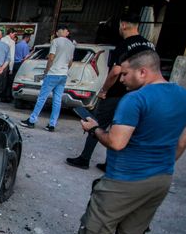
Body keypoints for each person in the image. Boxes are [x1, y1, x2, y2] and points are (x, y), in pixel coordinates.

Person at [37, 50, 186, 234]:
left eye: (125, 74)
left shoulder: (135, 100)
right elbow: (183, 142)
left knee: (96, 228)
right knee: (131, 233)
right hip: (161, 179)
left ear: (142, 72)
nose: (121, 79)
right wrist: (160, 165)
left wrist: (94, 129)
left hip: (124, 180)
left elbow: (117, 142)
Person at [66, 13, 155, 170]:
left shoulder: (124, 45)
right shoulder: (150, 46)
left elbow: (115, 72)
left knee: (97, 124)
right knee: (122, 128)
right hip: (140, 95)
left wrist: (104, 90)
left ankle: (84, 159)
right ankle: (110, 164)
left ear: (123, 25)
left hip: (116, 95)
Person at [20, 25, 75, 131]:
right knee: (57, 100)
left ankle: (32, 121)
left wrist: (46, 70)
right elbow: (71, 62)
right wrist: (64, 69)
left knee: (42, 98)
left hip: (53, 73)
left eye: (58, 31)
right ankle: (52, 125)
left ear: (62, 31)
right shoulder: (71, 44)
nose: (57, 33)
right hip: (63, 75)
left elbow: (51, 57)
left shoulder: (56, 41)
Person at [0, 28, 17, 102]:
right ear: (10, 33)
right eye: (14, 34)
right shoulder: (12, 42)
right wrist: (11, 68)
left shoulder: (1, 39)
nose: (14, 36)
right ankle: (3, 97)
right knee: (5, 81)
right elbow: (11, 56)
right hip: (6, 64)